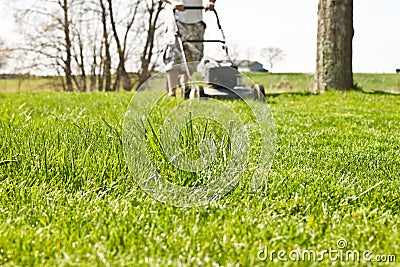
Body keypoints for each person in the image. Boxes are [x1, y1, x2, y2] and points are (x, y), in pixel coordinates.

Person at [163, 0, 216, 97]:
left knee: (193, 56)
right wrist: (174, 2)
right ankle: (172, 92)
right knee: (173, 55)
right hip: (176, 19)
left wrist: (211, 2)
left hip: (197, 20)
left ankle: (186, 88)